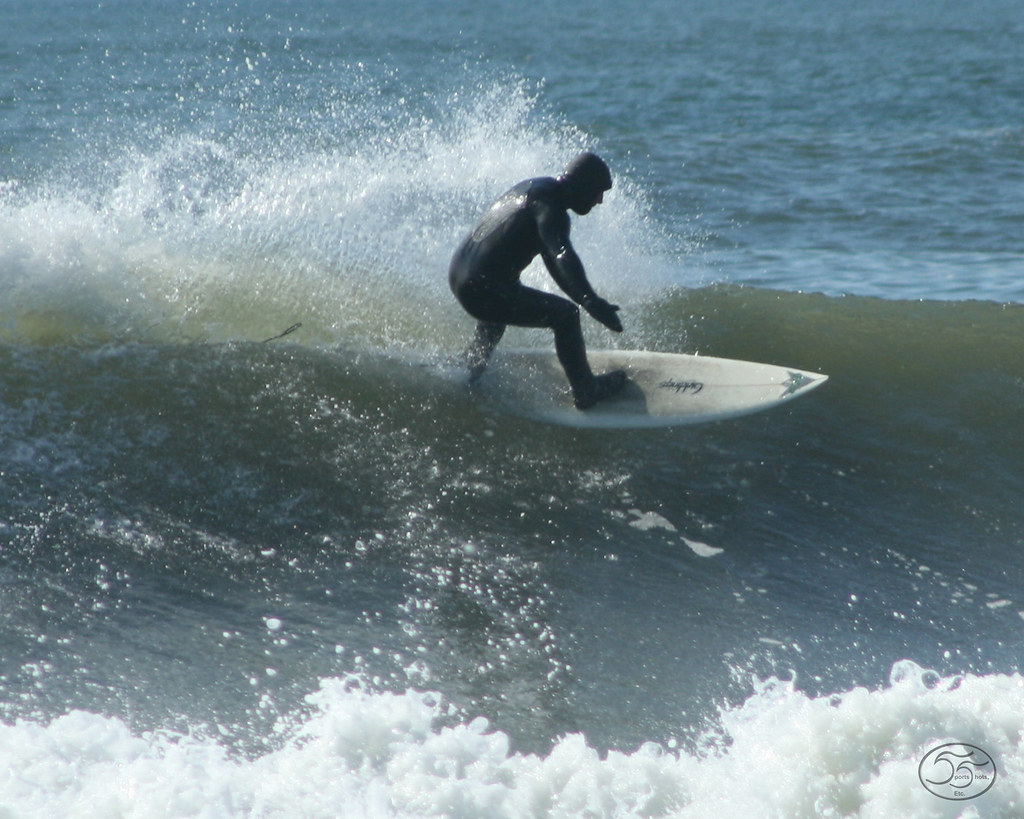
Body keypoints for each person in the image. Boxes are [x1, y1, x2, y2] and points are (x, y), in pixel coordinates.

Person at [448, 152, 627, 409]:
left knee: (500, 305)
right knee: (565, 316)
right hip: (481, 288)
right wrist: (589, 300)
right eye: (598, 192)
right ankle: (586, 389)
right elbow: (561, 253)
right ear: (583, 186)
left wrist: (584, 296)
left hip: (462, 275)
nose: (599, 201)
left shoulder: (537, 187)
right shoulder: (550, 207)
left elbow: (553, 259)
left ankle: (471, 369)